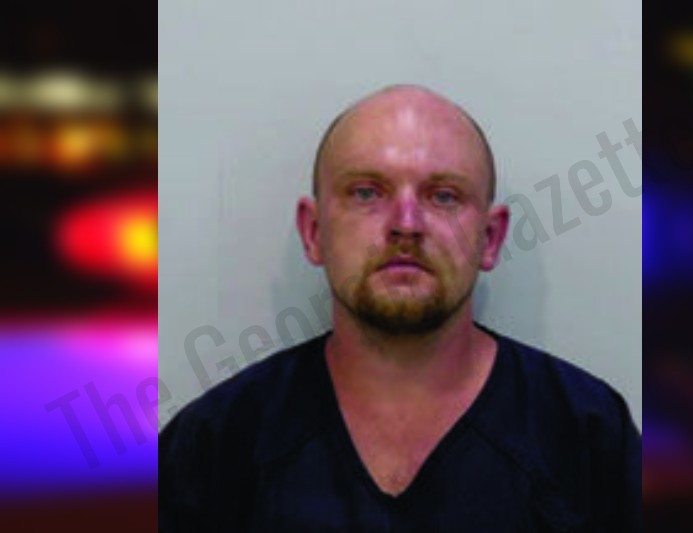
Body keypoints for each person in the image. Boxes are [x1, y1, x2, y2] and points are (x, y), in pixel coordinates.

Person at [159, 85, 641, 532]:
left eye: (444, 196)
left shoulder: (588, 436)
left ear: (490, 238)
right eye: (366, 192)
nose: (406, 224)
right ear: (314, 232)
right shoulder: (215, 445)